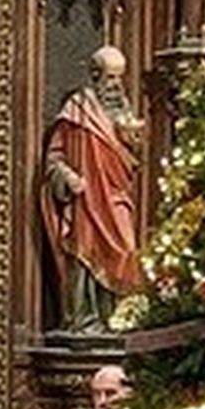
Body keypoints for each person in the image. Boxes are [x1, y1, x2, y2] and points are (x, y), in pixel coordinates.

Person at [40, 45, 144, 331]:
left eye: (119, 78)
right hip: (88, 201)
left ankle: (121, 321)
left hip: (116, 196)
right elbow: (54, 157)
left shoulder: (124, 112)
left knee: (127, 249)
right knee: (85, 255)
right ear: (96, 76)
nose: (116, 85)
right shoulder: (78, 111)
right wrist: (67, 176)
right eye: (110, 78)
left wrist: (132, 140)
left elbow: (132, 161)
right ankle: (85, 321)